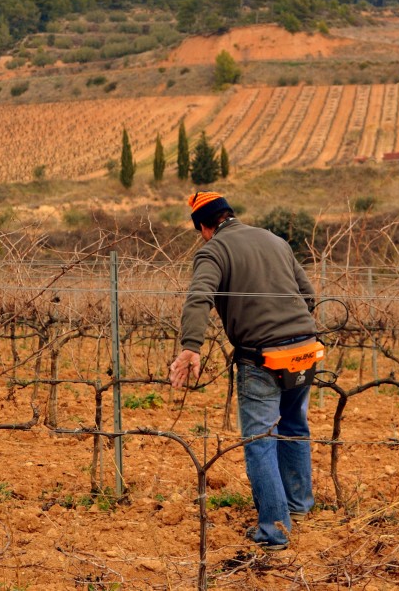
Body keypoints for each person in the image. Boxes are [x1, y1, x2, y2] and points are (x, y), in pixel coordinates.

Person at [169, 191, 317, 551]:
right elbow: (309, 295)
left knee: (260, 441)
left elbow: (199, 297)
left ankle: (274, 531)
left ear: (204, 228)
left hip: (261, 356)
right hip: (305, 349)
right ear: (230, 214)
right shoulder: (275, 240)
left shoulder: (213, 251)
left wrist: (190, 346)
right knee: (294, 425)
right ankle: (298, 507)